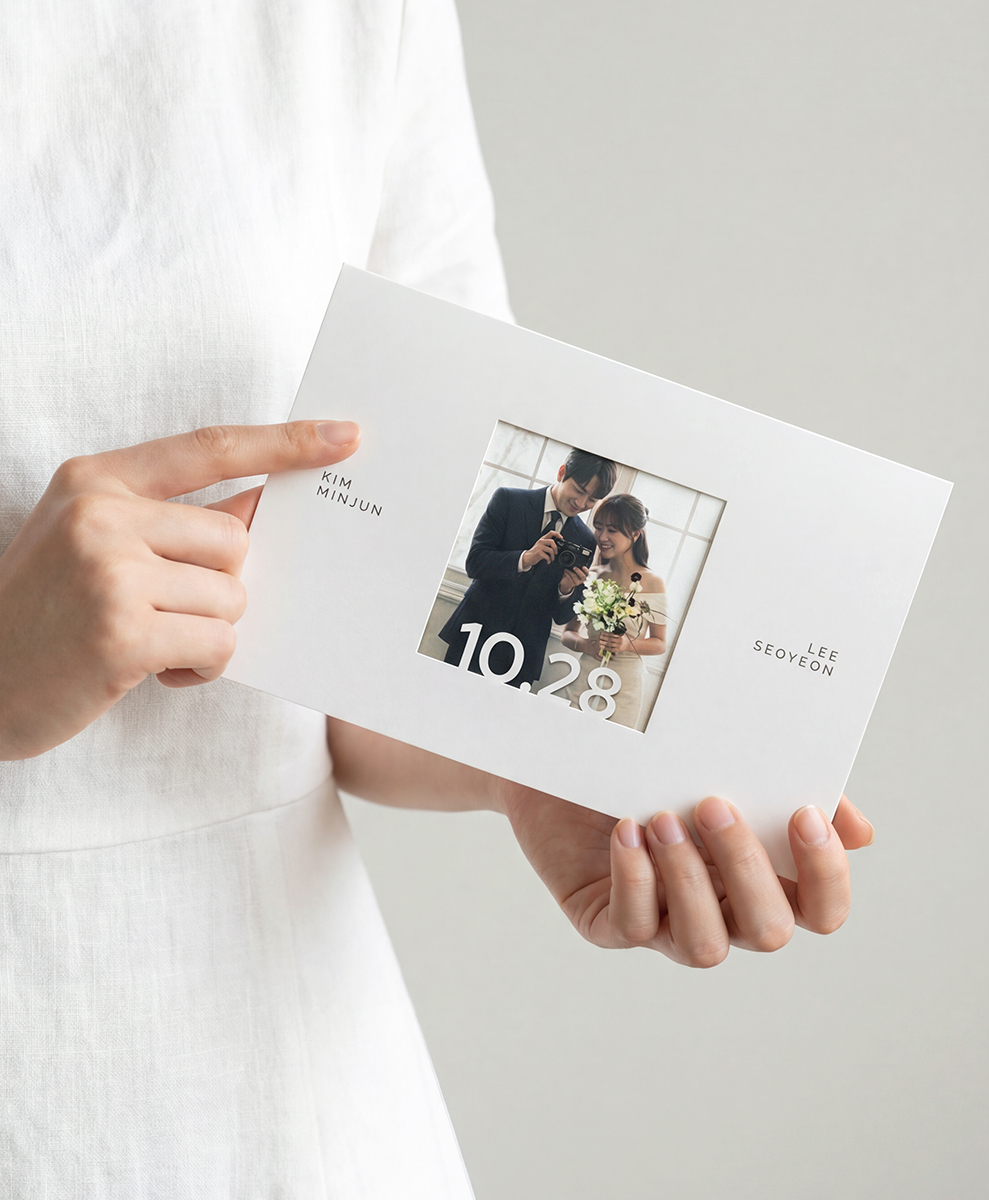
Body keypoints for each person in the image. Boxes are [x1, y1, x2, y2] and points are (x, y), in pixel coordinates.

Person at [0, 1, 875, 1195]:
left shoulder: (355, 20)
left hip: (271, 1068)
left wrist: (533, 763)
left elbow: (344, 672)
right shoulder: (523, 517)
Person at [439, 448, 617, 687]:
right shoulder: (508, 500)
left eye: (592, 500)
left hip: (523, 653)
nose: (582, 503)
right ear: (561, 473)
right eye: (579, 490)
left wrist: (565, 590)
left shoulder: (586, 539)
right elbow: (475, 562)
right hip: (476, 631)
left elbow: (562, 616)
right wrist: (525, 558)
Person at [560, 493, 667, 729]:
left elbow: (659, 643)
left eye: (612, 530)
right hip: (584, 678)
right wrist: (586, 645)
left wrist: (627, 644)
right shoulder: (591, 576)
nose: (602, 536)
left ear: (635, 534)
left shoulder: (653, 582)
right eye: (598, 527)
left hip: (625, 687)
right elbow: (567, 633)